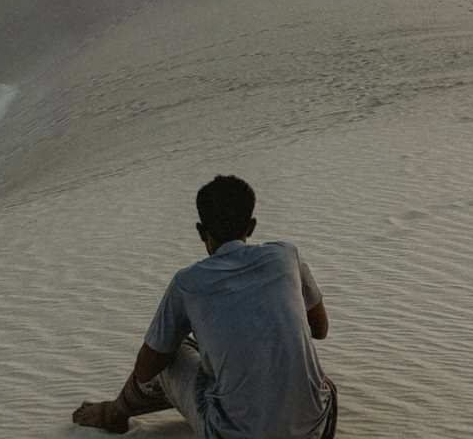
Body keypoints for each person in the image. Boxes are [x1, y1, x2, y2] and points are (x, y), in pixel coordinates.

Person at [72, 175, 336, 438]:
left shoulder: (187, 283)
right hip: (317, 429)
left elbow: (146, 369)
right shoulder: (286, 255)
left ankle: (114, 414)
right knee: (320, 386)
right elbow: (320, 329)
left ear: (200, 231)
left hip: (230, 434)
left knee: (170, 355)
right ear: (252, 226)